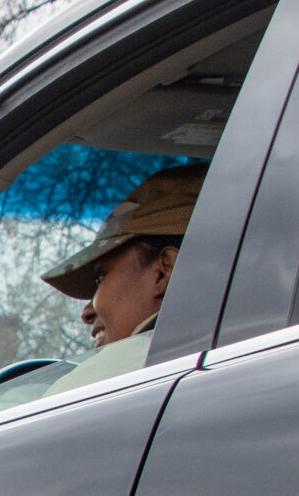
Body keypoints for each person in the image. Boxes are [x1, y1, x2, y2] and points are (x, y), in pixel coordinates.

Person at [34, 163, 206, 396]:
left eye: (99, 278)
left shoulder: (113, 378)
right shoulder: (247, 349)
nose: (86, 313)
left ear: (165, 270)